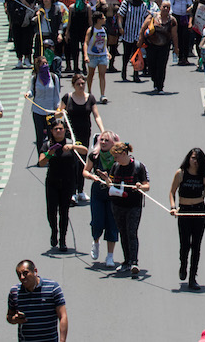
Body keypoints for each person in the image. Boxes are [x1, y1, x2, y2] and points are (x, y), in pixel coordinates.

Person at [168, 147, 205, 291]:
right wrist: (173, 207)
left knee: (196, 246)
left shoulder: (204, 176)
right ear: (188, 159)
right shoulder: (181, 173)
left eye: (198, 159)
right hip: (184, 212)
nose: (195, 161)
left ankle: (192, 277)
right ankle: (183, 265)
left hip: (199, 212)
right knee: (185, 244)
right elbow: (172, 192)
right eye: (193, 158)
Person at [39, 120, 87, 252]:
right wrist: (50, 153)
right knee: (51, 211)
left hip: (67, 182)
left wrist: (73, 147)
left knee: (64, 211)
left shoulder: (70, 143)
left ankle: (62, 240)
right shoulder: (47, 145)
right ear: (52, 131)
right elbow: (41, 162)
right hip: (52, 182)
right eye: (56, 129)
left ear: (65, 130)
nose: (58, 131)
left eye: (61, 129)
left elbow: (84, 151)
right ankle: (54, 231)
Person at [56, 73, 103, 203]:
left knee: (83, 161)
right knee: (73, 162)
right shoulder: (68, 98)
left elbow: (96, 115)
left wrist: (102, 131)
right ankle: (72, 192)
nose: (81, 86)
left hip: (84, 133)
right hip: (70, 135)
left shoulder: (90, 98)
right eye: (78, 84)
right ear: (73, 85)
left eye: (83, 83)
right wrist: (61, 112)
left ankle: (81, 190)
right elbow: (58, 114)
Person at [106, 141, 149, 275]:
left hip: (133, 205)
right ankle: (126, 261)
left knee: (131, 232)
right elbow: (110, 185)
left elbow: (147, 185)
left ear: (124, 154)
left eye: (117, 156)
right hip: (118, 205)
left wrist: (140, 186)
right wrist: (106, 179)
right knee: (123, 232)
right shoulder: (115, 167)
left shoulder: (138, 167)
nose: (115, 159)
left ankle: (134, 262)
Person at [82, 131, 120, 269]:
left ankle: (110, 255)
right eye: (101, 140)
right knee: (97, 221)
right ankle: (96, 241)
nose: (103, 142)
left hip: (113, 193)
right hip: (98, 191)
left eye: (106, 140)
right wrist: (92, 177)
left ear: (113, 143)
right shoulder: (94, 155)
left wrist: (109, 179)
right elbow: (85, 171)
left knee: (112, 224)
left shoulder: (118, 157)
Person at [7, 260, 68, 341]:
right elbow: (9, 317)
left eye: (25, 273)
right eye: (19, 275)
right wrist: (15, 319)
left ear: (35, 271)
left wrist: (62, 340)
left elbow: (63, 316)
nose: (22, 277)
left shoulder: (53, 288)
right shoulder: (14, 291)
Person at [24, 55, 61, 152]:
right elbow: (32, 91)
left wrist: (58, 108)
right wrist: (28, 94)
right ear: (38, 66)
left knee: (51, 135)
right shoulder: (35, 78)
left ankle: (51, 156)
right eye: (42, 64)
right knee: (40, 136)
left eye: (46, 63)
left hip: (50, 111)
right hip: (38, 111)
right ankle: (41, 157)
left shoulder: (54, 77)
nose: (45, 65)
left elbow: (57, 94)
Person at [84, 10, 109, 103]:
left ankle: (103, 95)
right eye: (103, 18)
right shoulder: (91, 30)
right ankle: (89, 92)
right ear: (98, 20)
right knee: (91, 74)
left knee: (102, 75)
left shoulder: (104, 29)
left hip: (102, 55)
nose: (105, 19)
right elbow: (86, 43)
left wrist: (107, 52)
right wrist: (86, 55)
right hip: (92, 55)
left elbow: (104, 43)